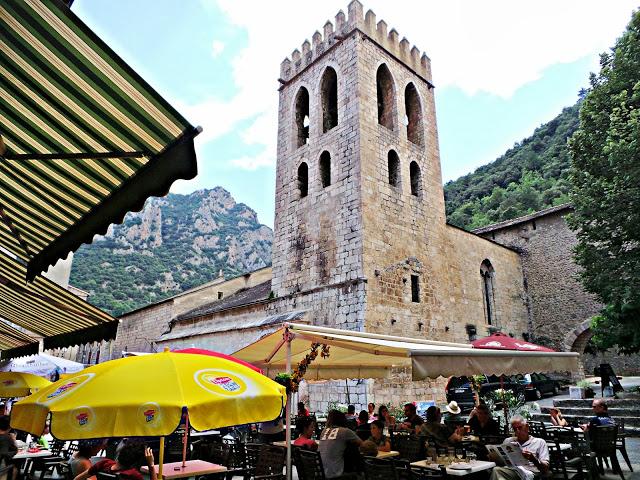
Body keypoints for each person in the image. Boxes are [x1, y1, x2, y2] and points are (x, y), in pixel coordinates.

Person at [489, 416, 549, 480]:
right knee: (498, 473)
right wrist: (494, 457)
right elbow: (502, 462)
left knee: (497, 471)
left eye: (520, 428)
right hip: (510, 470)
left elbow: (545, 468)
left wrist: (534, 459)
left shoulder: (539, 442)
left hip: (529, 473)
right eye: (515, 429)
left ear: (527, 427)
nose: (517, 431)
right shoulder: (508, 441)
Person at [75, 442, 157, 480]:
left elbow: (77, 479)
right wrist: (151, 466)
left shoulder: (104, 463)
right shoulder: (133, 475)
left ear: (120, 452)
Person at [318, 410, 362, 479]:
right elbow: (362, 444)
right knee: (360, 475)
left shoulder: (324, 431)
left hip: (320, 473)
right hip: (334, 476)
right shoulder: (345, 431)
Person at [0, 415, 17, 480]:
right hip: (2, 467)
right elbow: (15, 451)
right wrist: (14, 439)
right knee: (14, 470)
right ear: (10, 427)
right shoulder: (7, 438)